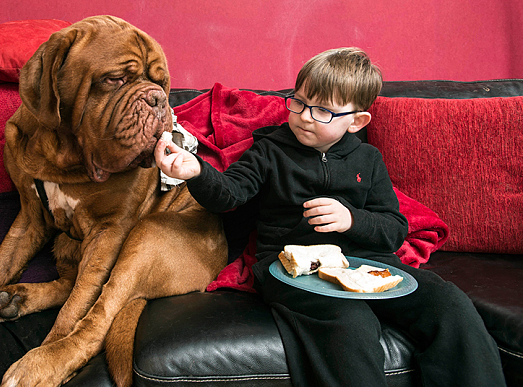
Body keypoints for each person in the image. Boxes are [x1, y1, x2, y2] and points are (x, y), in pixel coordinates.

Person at [154, 47, 505, 387]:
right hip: (293, 270)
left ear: (357, 121)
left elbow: (395, 230)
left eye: (322, 111)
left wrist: (353, 220)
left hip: (364, 263)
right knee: (349, 324)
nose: (305, 116)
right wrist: (196, 172)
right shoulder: (269, 151)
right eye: (300, 102)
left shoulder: (368, 160)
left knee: (448, 304)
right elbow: (230, 194)